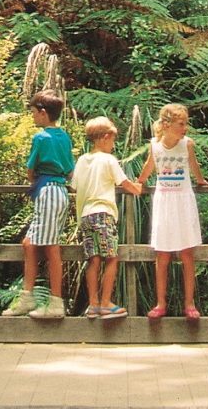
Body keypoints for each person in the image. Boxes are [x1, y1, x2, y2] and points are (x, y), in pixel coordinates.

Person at [5, 93, 74, 319]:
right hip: (60, 191)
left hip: (48, 192)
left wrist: (34, 179)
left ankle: (55, 302)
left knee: (51, 247)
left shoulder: (41, 138)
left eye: (34, 113)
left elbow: (30, 170)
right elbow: (70, 169)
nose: (33, 117)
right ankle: (28, 297)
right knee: (28, 243)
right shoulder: (65, 136)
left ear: (43, 113)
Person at [71, 116, 143, 320]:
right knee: (112, 257)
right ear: (104, 138)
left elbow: (74, 186)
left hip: (85, 215)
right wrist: (137, 189)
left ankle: (93, 304)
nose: (113, 145)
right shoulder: (109, 160)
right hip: (103, 213)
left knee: (93, 259)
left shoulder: (83, 160)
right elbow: (124, 182)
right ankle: (105, 302)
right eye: (112, 140)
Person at [140, 101, 207, 320]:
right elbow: (150, 166)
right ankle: (161, 303)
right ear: (167, 125)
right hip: (164, 201)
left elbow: (193, 165)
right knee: (162, 254)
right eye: (181, 123)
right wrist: (139, 182)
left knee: (187, 253)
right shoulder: (155, 144)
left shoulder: (187, 144)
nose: (185, 128)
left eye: (186, 123)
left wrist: (200, 180)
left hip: (183, 200)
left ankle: (189, 303)